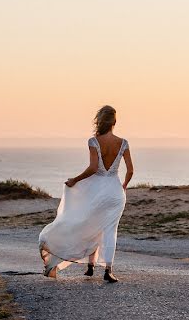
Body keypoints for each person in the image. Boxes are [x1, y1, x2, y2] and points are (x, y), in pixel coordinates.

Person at [38, 105, 133, 282]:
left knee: (90, 225)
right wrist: (124, 185)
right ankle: (108, 270)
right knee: (110, 230)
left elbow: (93, 168)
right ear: (114, 122)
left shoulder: (94, 141)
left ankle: (90, 266)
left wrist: (75, 179)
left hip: (98, 191)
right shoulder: (123, 143)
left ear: (100, 121)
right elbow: (130, 171)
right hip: (115, 192)